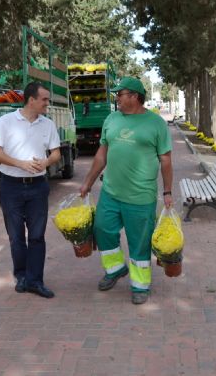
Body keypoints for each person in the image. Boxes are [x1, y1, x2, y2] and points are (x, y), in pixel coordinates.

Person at [80, 76, 173, 305]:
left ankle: (140, 285)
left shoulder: (156, 123)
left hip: (140, 197)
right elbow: (102, 154)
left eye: (120, 94)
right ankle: (115, 268)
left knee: (139, 242)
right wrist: (88, 182)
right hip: (110, 192)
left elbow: (166, 160)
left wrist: (167, 192)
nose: (117, 98)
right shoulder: (112, 119)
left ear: (134, 96)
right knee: (102, 229)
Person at [0, 82, 61, 298]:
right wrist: (20, 163)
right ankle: (21, 276)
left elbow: (56, 153)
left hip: (38, 187)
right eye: (45, 99)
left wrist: (46, 163)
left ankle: (35, 281)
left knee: (37, 236)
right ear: (31, 100)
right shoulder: (6, 122)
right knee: (16, 236)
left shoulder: (48, 124)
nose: (48, 103)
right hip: (11, 186)